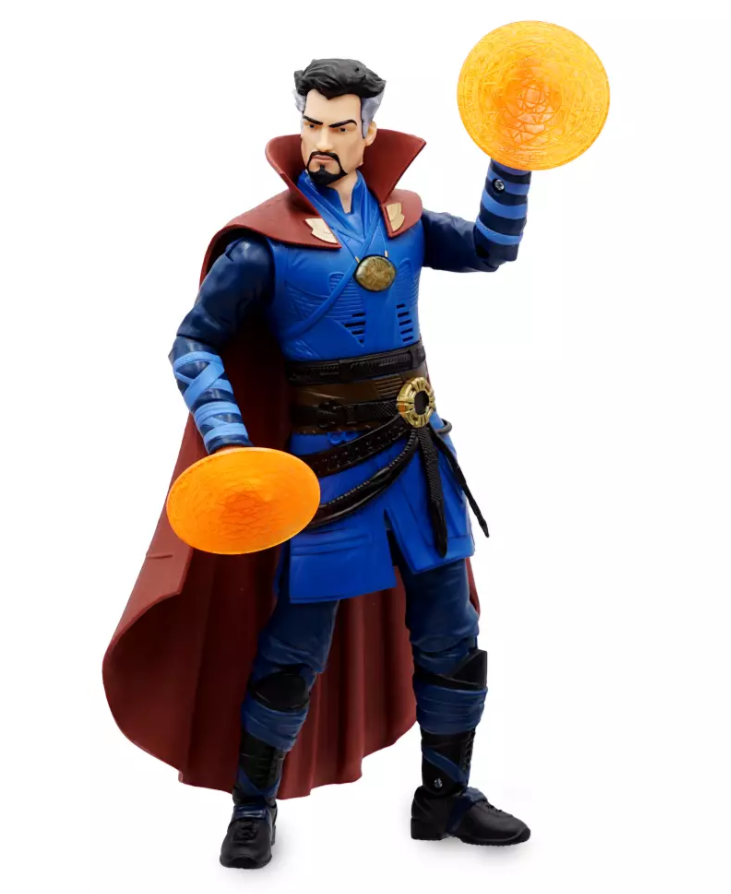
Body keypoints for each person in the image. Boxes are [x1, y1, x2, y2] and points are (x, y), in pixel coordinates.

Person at [104, 57, 532, 871]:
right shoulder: (262, 243)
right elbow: (193, 343)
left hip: (419, 460)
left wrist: (513, 158)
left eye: (340, 125)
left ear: (369, 132)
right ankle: (253, 806)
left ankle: (445, 795)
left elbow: (490, 248)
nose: (322, 141)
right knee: (295, 648)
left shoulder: (404, 219)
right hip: (324, 478)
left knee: (453, 632)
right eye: (311, 123)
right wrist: (230, 439)